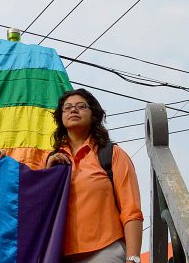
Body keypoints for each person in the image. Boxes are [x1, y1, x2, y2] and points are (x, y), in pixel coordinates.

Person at [45, 89, 143, 263]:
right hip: (56, 255)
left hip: (103, 252)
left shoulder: (111, 154)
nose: (73, 110)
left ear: (94, 115)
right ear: (61, 117)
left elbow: (131, 211)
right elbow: (30, 202)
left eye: (81, 106)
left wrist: (133, 258)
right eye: (67, 108)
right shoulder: (50, 160)